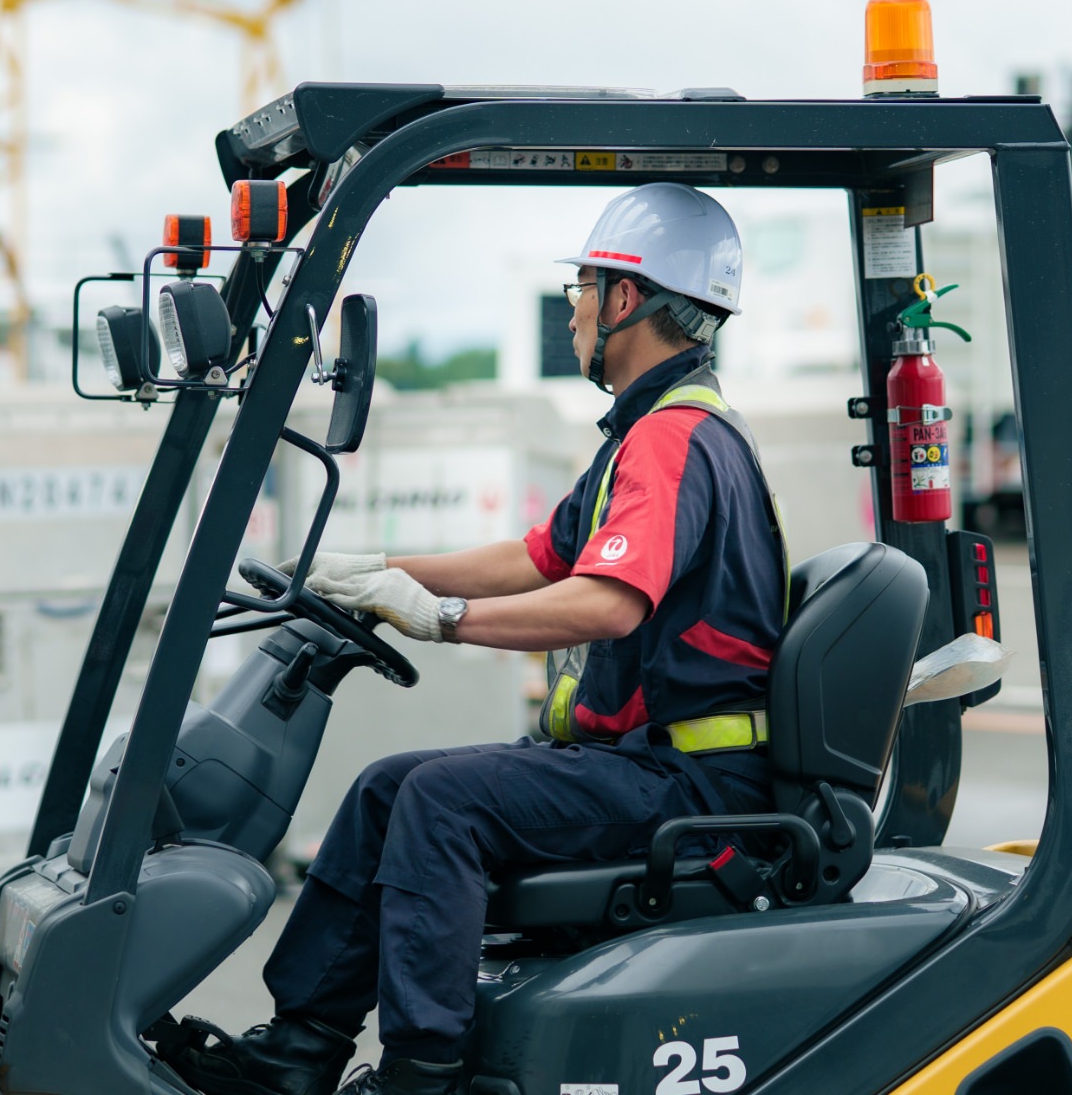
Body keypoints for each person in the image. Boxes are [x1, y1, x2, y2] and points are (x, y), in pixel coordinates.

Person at [166, 183, 785, 1095]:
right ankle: (300, 1050)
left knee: (445, 802)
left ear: (625, 299)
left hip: (688, 786)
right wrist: (377, 570)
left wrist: (440, 619)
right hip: (657, 769)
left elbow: (608, 604)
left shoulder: (673, 440)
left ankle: (423, 1072)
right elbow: (539, 558)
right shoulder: (650, 434)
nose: (571, 310)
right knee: (387, 789)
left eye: (582, 287)